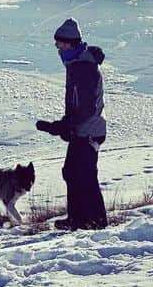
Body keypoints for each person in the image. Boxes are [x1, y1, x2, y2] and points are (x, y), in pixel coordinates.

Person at [36, 18, 108, 230]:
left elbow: (85, 107)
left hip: (89, 130)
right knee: (72, 172)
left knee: (83, 175)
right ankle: (78, 219)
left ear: (68, 43)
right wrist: (65, 125)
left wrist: (65, 125)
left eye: (59, 42)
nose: (56, 47)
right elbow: (79, 105)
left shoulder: (83, 67)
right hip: (83, 128)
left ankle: (95, 221)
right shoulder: (77, 63)